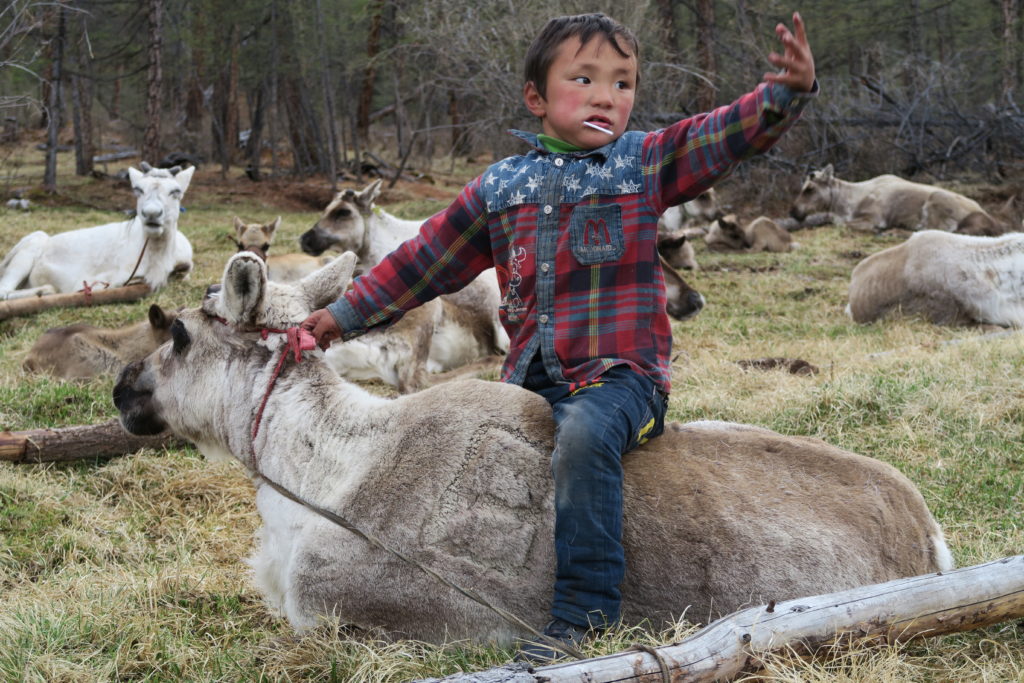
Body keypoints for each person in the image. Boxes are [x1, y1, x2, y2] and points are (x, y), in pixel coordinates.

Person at [302, 11, 816, 662]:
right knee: (472, 447)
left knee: (580, 439)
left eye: (623, 83)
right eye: (585, 78)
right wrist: (342, 316)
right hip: (527, 380)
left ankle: (584, 612)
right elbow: (422, 261)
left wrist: (782, 96)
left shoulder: (644, 163)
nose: (608, 95)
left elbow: (719, 137)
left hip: (621, 379)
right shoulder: (500, 189)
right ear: (537, 98)